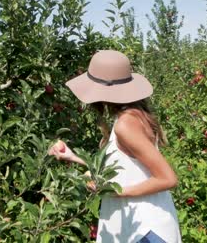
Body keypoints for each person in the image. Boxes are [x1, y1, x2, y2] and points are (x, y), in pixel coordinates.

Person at [48, 50, 181, 243]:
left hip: (145, 231)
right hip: (138, 228)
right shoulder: (132, 117)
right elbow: (127, 168)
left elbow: (168, 179)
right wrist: (73, 157)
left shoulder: (125, 124)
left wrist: (113, 191)